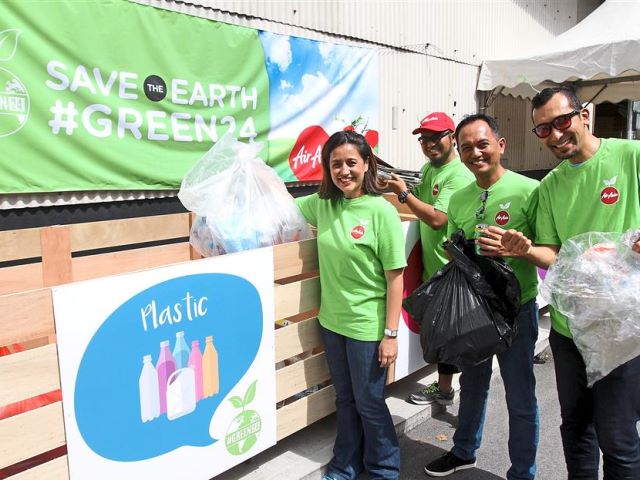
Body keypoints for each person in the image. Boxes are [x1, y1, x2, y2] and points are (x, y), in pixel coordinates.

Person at [494, 86, 640, 479]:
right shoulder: (550, 186)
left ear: (584, 115)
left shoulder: (631, 156)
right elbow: (551, 252)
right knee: (576, 427)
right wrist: (525, 250)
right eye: (543, 129)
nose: (555, 134)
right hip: (567, 328)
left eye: (562, 121)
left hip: (620, 331)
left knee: (619, 437)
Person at [423, 114, 540, 479]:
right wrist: (458, 250)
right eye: (467, 147)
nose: (475, 152)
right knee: (472, 385)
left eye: (482, 144)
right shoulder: (459, 198)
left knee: (520, 397)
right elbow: (452, 248)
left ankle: (522, 472)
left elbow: (547, 246)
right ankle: (463, 451)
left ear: (500, 146)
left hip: (516, 309)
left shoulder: (529, 191)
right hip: (472, 310)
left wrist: (520, 250)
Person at [295, 130, 406, 480]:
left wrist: (390, 334)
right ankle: (345, 465)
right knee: (344, 400)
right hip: (331, 324)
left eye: (351, 163)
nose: (344, 171)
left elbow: (395, 277)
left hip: (366, 328)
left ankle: (384, 468)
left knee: (369, 403)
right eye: (336, 164)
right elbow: (278, 207)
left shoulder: (380, 211)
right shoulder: (322, 205)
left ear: (367, 164)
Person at [383, 112, 473, 406]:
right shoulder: (430, 169)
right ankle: (447, 387)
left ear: (452, 138)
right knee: (440, 333)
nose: (429, 143)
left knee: (447, 336)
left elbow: (437, 218)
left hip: (450, 270)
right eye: (424, 138)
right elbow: (415, 200)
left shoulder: (458, 175)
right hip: (433, 268)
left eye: (436, 137)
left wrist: (404, 194)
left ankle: (446, 390)